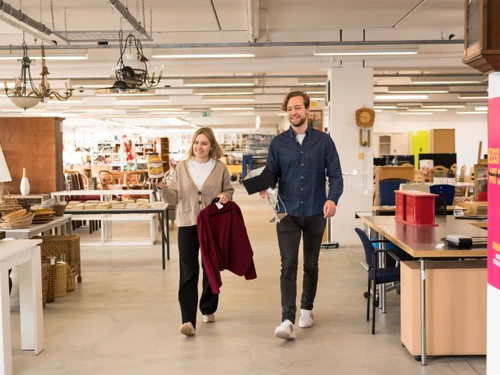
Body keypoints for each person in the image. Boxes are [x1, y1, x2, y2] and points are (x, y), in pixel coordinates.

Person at [259, 91, 343, 340]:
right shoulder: (278, 144)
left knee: (311, 263)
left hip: (316, 210)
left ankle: (307, 309)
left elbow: (336, 176)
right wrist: (264, 186)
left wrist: (332, 198)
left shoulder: (324, 142)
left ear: (307, 110)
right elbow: (271, 175)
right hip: (287, 213)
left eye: (297, 107)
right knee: (288, 265)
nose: (293, 112)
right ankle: (287, 320)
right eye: (289, 108)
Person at [149, 127, 234, 337]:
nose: (199, 147)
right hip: (187, 223)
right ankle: (188, 319)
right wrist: (162, 189)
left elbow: (229, 191)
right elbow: (173, 198)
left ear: (211, 146)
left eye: (204, 143)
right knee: (188, 271)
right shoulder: (182, 168)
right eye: (196, 143)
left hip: (212, 224)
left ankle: (208, 307)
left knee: (210, 268)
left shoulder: (220, 167)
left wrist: (225, 195)